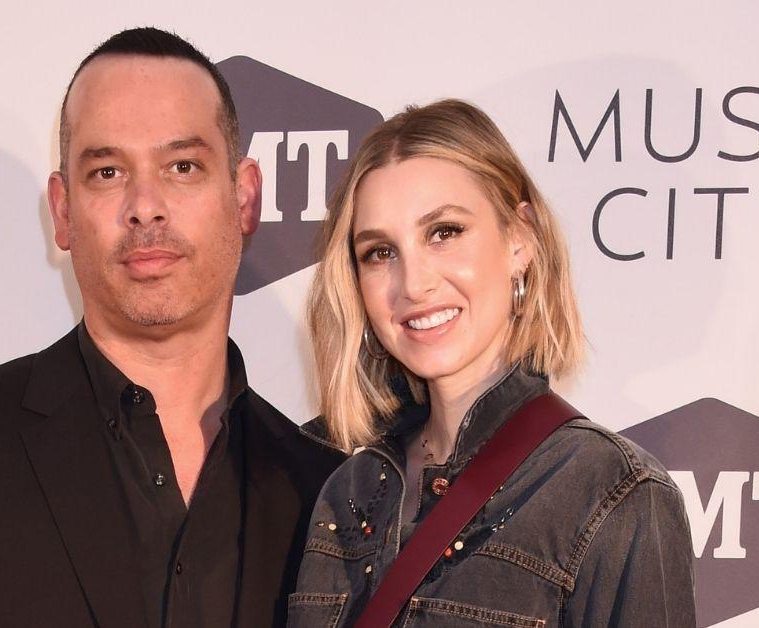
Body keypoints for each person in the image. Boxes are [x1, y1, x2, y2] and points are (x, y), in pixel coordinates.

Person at [0, 27, 343, 628]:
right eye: (108, 173)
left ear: (244, 197)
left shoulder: (326, 490)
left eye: (183, 166)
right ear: (63, 212)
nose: (145, 205)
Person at [290, 99, 695, 627]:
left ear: (520, 240)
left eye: (445, 232)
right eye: (380, 252)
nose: (413, 284)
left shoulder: (615, 492)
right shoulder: (348, 490)